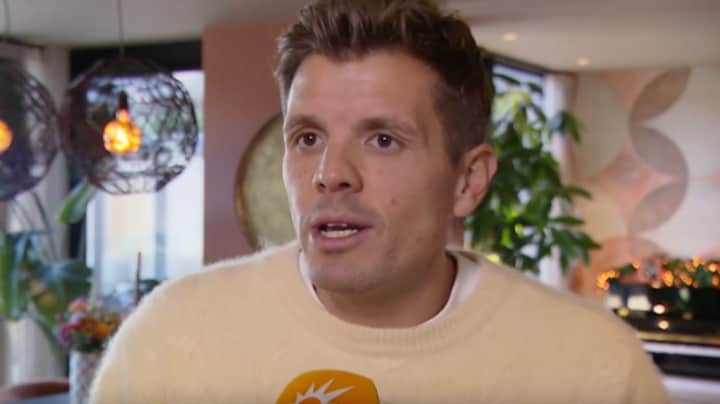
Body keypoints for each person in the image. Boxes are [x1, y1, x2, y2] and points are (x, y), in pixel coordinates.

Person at [90, 0, 669, 403]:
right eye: (307, 138)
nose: (330, 174)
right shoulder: (171, 338)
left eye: (383, 140)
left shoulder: (594, 366)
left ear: (468, 181)